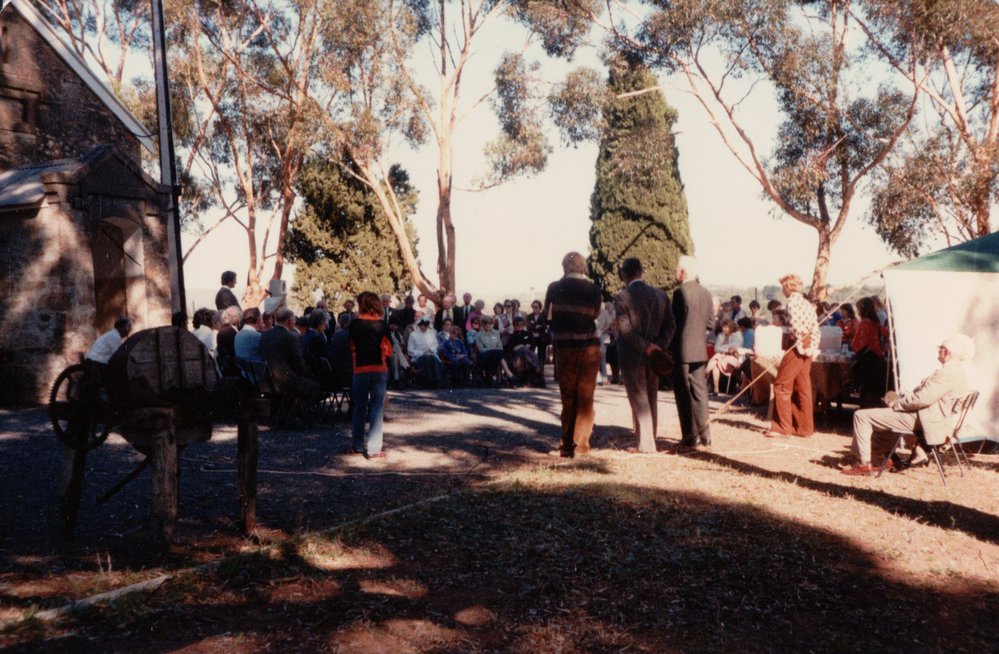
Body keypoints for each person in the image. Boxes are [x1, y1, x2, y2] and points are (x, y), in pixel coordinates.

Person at [841, 335, 973, 476]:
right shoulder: (957, 373)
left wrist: (898, 404)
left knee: (861, 416)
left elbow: (923, 399)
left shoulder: (947, 374)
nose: (938, 350)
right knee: (887, 403)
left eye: (940, 348)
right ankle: (883, 457)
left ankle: (864, 463)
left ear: (946, 352)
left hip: (923, 419)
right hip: (930, 417)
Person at [543, 251, 602, 457]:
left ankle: (567, 445)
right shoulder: (594, 289)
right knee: (585, 396)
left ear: (564, 267)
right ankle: (582, 445)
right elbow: (596, 313)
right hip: (589, 346)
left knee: (568, 397)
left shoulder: (554, 288)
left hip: (565, 346)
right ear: (583, 266)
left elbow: (546, 315)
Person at [614, 257, 674, 454]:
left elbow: (625, 330)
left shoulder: (622, 296)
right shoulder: (660, 294)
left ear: (624, 274)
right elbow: (671, 325)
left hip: (632, 355)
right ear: (641, 272)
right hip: (655, 355)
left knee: (639, 398)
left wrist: (647, 347)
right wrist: (658, 346)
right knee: (651, 397)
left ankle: (647, 444)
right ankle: (648, 439)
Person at [669, 255, 715, 452]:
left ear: (683, 272)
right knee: (700, 393)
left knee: (683, 394)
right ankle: (706, 436)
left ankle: (689, 437)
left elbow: (674, 324)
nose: (675, 273)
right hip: (699, 349)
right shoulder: (706, 293)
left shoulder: (680, 293)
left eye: (676, 269)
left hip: (681, 350)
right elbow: (711, 324)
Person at [765, 274, 820, 439]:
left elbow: (796, 326)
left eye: (783, 287)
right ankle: (805, 428)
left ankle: (782, 427)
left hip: (797, 345)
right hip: (807, 345)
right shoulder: (806, 303)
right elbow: (815, 328)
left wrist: (801, 346)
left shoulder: (792, 302)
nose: (783, 290)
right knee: (802, 386)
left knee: (781, 385)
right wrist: (811, 346)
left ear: (789, 287)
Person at [345, 292, 393, 458]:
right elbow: (388, 349)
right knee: (377, 408)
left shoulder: (355, 324)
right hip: (379, 369)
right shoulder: (382, 324)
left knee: (359, 407)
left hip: (360, 370)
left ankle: (357, 445)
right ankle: (374, 449)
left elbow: (351, 346)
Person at [260, 307, 320, 402]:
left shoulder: (265, 335)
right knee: (315, 384)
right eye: (294, 320)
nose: (295, 322)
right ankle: (302, 409)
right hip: (285, 383)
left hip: (268, 382)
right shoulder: (290, 337)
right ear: (289, 321)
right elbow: (299, 363)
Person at [852, 296, 888, 408]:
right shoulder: (876, 323)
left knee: (867, 394)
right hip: (879, 360)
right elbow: (886, 334)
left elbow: (856, 345)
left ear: (862, 309)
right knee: (875, 394)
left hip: (867, 362)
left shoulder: (864, 324)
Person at [705, 319, 744, 395]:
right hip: (722, 356)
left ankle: (705, 374)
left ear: (731, 327)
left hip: (733, 358)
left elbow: (735, 348)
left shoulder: (737, 335)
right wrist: (727, 349)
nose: (724, 329)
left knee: (717, 358)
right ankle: (716, 390)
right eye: (723, 327)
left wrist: (724, 348)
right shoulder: (721, 335)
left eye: (726, 327)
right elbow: (716, 348)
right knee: (716, 361)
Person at [475, 315, 515, 385]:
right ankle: (510, 375)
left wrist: (495, 351)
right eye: (485, 323)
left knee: (500, 354)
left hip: (496, 355)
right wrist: (493, 350)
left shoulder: (496, 333)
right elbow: (481, 349)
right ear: (482, 324)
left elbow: (500, 346)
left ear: (492, 324)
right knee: (498, 353)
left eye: (489, 323)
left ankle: (499, 381)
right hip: (484, 355)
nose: (487, 325)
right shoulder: (478, 335)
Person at [505, 315, 543, 386]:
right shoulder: (512, 336)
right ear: (514, 326)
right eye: (517, 324)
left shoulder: (528, 334)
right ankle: (534, 365)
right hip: (517, 357)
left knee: (524, 351)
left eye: (521, 324)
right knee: (523, 351)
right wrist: (523, 346)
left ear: (524, 325)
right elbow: (511, 348)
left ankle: (531, 366)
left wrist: (520, 346)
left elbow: (532, 345)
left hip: (528, 354)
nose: (519, 326)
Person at [407, 316, 443, 387]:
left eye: (426, 326)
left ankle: (437, 380)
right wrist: (421, 352)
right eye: (423, 325)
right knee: (427, 359)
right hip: (418, 356)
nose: (424, 328)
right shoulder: (413, 335)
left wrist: (431, 349)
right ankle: (428, 381)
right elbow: (410, 350)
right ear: (419, 325)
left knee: (433, 359)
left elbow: (435, 345)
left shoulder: (431, 333)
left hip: (431, 353)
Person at [526, 299, 549, 378]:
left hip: (542, 339)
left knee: (541, 356)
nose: (534, 309)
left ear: (540, 308)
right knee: (531, 355)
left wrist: (539, 326)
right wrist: (537, 326)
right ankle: (532, 374)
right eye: (533, 307)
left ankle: (541, 375)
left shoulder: (544, 316)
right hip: (532, 338)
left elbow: (545, 326)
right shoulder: (529, 316)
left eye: (536, 307)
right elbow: (528, 326)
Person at [595, 301, 615, 385]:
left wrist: (602, 331)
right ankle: (597, 377)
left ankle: (604, 377)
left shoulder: (605, 312)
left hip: (602, 336)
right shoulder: (592, 310)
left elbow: (608, 324)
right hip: (592, 335)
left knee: (602, 356)